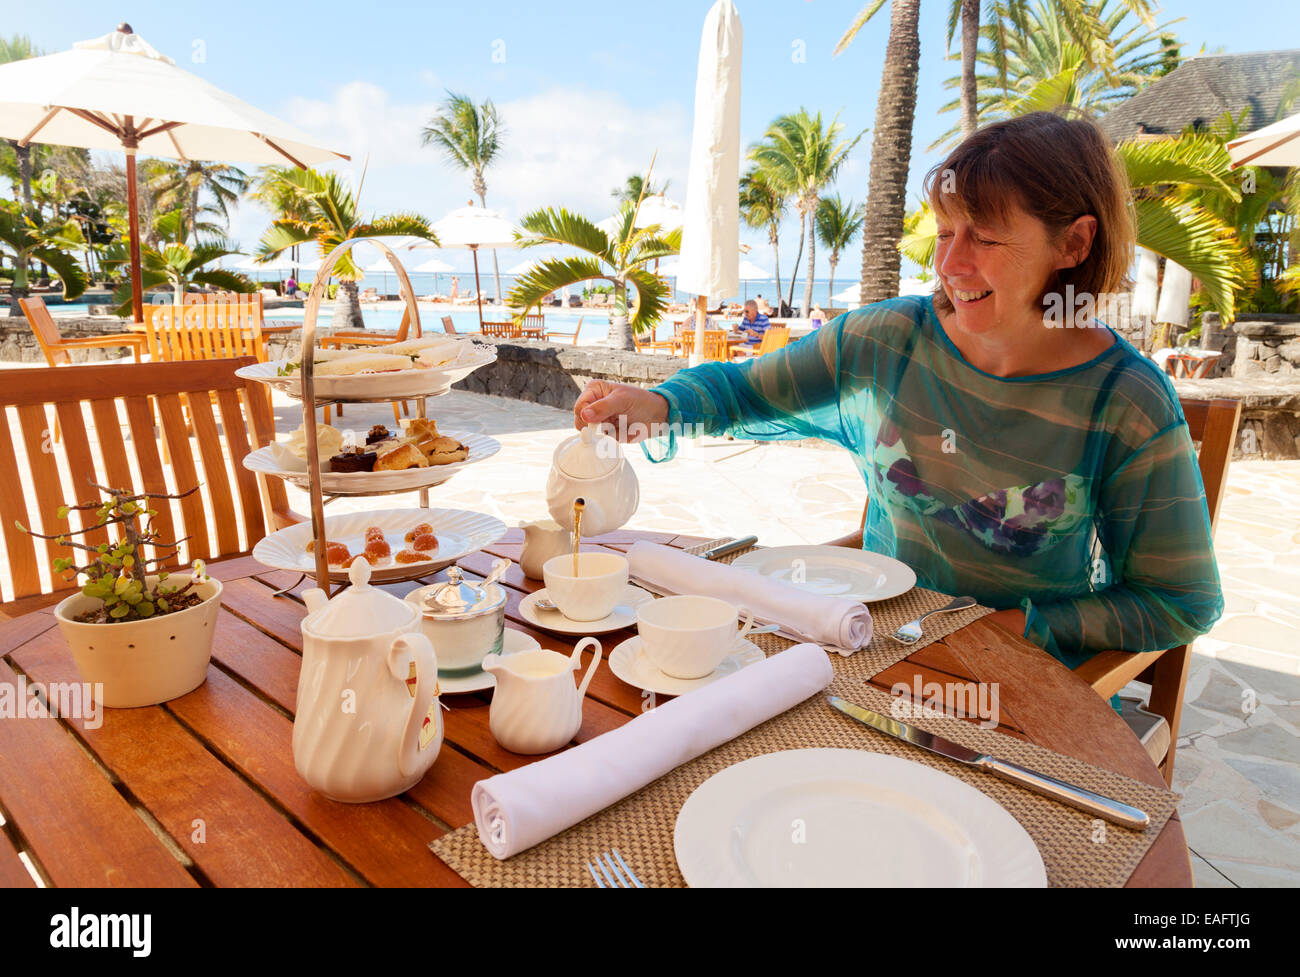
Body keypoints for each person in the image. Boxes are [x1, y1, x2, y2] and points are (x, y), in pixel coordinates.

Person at [571, 111, 1223, 679]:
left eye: (986, 237)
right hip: (865, 648)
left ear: (1074, 243)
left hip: (1012, 682)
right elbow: (743, 389)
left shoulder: (1125, 401)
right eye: (945, 232)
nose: (950, 263)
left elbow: (1180, 600)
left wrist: (1019, 628)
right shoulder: (886, 340)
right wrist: (655, 405)